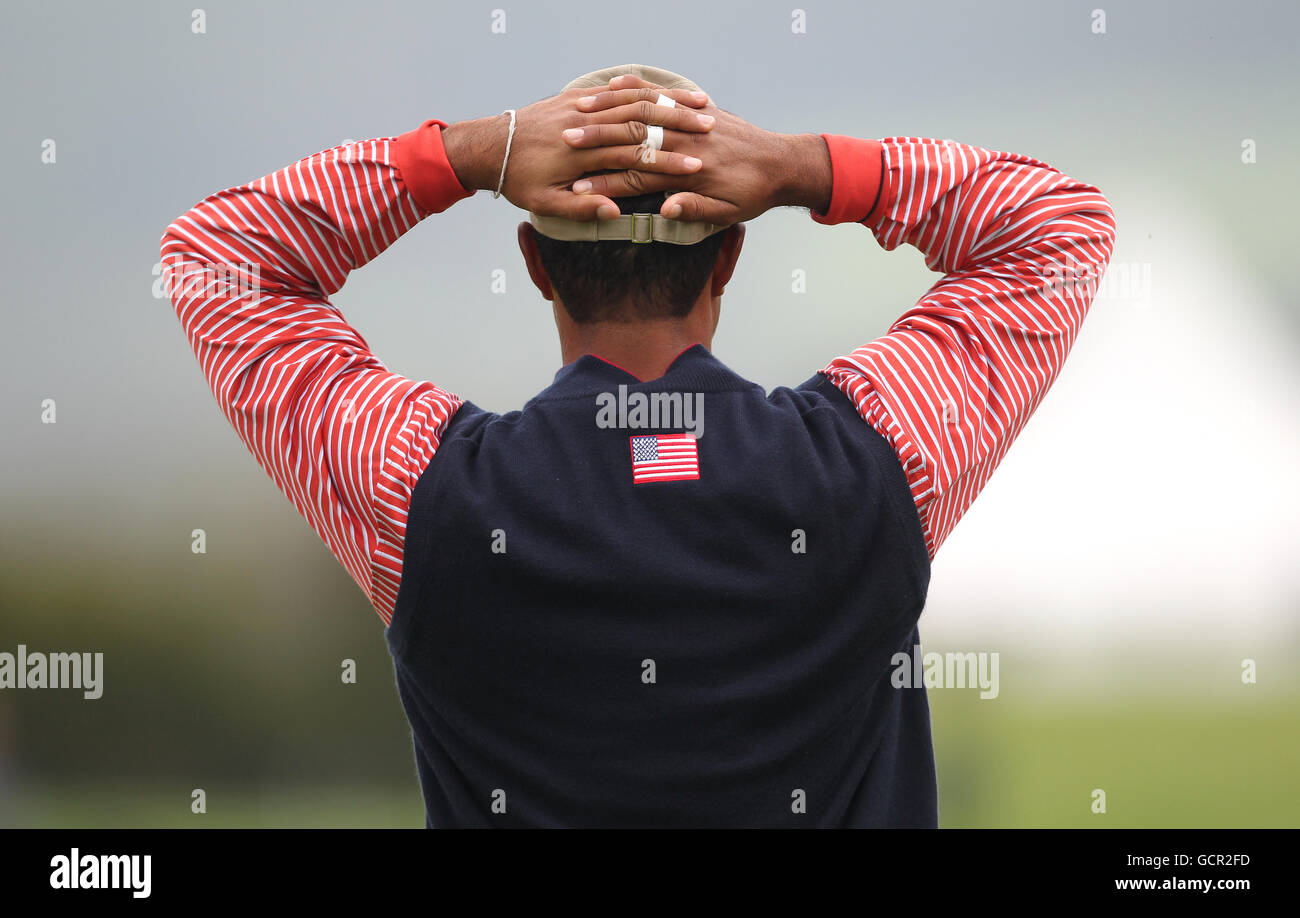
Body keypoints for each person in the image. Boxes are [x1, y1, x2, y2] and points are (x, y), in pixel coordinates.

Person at [160, 64, 1115, 827]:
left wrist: (466, 155)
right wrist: (800, 167)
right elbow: (1057, 229)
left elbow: (216, 261)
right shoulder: (874, 459)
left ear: (536, 265)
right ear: (730, 256)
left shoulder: (420, 491)